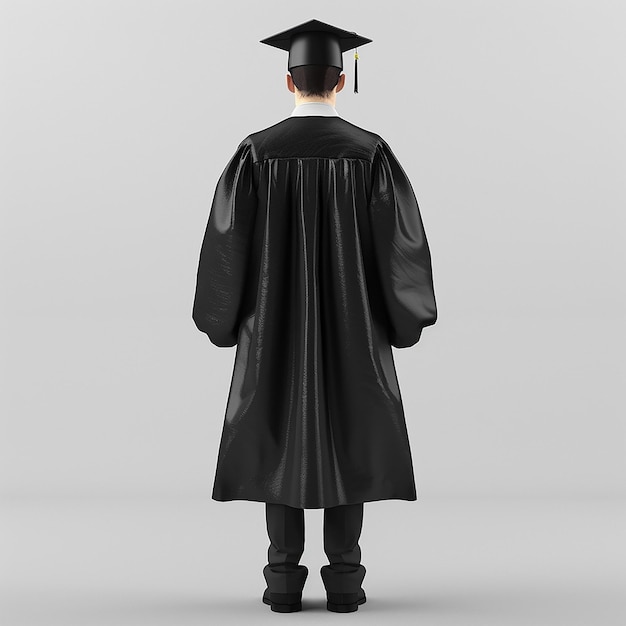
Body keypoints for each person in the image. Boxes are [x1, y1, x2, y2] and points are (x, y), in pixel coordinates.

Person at [192, 19, 438, 613]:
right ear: (343, 78)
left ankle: (281, 584)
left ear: (288, 80)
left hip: (272, 330)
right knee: (347, 437)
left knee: (280, 438)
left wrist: (223, 321)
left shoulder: (255, 153)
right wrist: (402, 320)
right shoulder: (370, 154)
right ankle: (347, 586)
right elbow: (399, 246)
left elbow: (227, 245)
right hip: (355, 329)